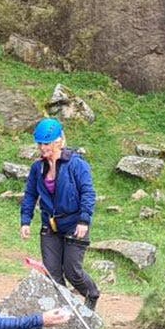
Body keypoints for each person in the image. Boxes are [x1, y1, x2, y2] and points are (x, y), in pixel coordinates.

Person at [20, 118, 101, 310]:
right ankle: (68, 310)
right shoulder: (37, 168)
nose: (42, 147)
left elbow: (88, 193)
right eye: (39, 143)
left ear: (59, 141)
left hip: (74, 223)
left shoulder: (77, 165)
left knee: (73, 271)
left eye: (46, 143)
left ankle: (91, 293)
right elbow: (30, 194)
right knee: (53, 274)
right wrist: (25, 220)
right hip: (50, 225)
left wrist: (84, 220)